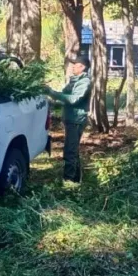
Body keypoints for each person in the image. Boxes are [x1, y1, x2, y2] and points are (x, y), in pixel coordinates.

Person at [47, 54, 92, 185]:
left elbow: (73, 99)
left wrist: (51, 92)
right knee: (72, 150)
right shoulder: (74, 80)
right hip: (70, 119)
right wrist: (52, 102)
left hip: (76, 120)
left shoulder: (84, 82)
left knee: (70, 151)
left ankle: (69, 181)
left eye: (75, 65)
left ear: (82, 67)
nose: (72, 67)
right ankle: (76, 180)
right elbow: (65, 98)